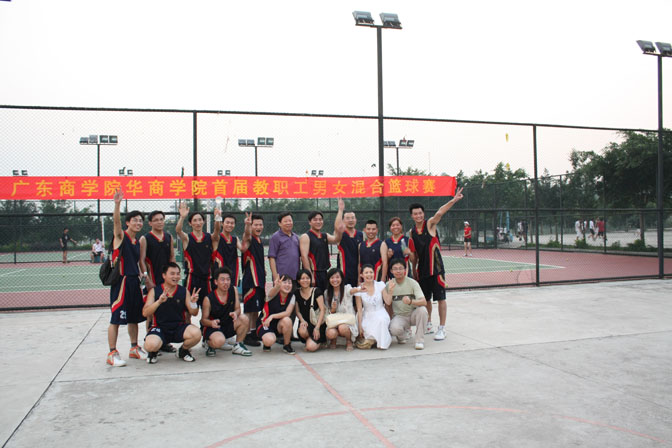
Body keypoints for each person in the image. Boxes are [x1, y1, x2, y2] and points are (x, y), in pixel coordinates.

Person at [408, 187, 464, 341]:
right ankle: (428, 324)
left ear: (423, 214)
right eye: (415, 214)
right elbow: (415, 255)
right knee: (426, 299)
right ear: (412, 216)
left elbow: (439, 213)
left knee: (440, 298)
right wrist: (414, 269)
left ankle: (442, 328)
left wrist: (454, 200)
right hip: (422, 270)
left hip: (437, 269)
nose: (418, 215)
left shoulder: (430, 224)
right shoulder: (412, 232)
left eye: (420, 213)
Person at [106, 188, 147, 367]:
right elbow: (116, 223)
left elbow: (138, 263)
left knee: (134, 317)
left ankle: (134, 348)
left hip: (134, 282)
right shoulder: (120, 237)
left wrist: (143, 276)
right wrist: (117, 204)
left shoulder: (137, 241)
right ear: (128, 223)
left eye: (140, 221)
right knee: (116, 318)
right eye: (135, 220)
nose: (138, 223)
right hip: (121, 282)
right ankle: (112, 353)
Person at [142, 262, 201, 364]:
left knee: (196, 333)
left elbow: (194, 313)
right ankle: (153, 352)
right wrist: (159, 302)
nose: (176, 276)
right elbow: (145, 312)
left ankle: (183, 351)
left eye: (178, 274)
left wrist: (193, 303)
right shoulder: (155, 291)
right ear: (164, 275)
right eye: (172, 274)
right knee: (151, 345)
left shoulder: (183, 291)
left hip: (178, 327)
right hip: (160, 328)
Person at [139, 210, 177, 353]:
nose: (160, 222)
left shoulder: (169, 237)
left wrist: (174, 275)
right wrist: (146, 278)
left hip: (166, 280)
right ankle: (150, 341)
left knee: (166, 310)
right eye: (156, 220)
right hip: (153, 280)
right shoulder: (145, 238)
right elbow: (141, 260)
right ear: (150, 223)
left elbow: (172, 257)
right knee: (151, 311)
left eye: (161, 219)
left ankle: (164, 342)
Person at [200, 267, 252, 357]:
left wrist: (235, 313)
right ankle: (208, 343)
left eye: (228, 279)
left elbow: (238, 309)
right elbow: (203, 320)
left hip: (228, 325)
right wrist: (211, 323)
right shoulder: (208, 299)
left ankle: (238, 345)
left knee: (244, 318)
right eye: (222, 280)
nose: (226, 282)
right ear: (216, 282)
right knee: (219, 341)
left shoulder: (233, 290)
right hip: (214, 328)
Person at [383, 258, 429, 350]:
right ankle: (402, 336)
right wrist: (390, 319)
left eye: (401, 268)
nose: (398, 271)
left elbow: (424, 302)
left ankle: (419, 340)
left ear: (405, 269)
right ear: (391, 271)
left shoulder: (413, 283)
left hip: (413, 315)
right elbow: (388, 305)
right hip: (399, 316)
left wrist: (411, 301)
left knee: (422, 310)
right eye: (395, 269)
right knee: (394, 329)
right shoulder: (388, 285)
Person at [300, 199, 345, 290]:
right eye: (315, 220)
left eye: (320, 220)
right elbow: (304, 257)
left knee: (324, 295)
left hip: (324, 272)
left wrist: (340, 211)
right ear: (310, 222)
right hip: (313, 272)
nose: (318, 222)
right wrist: (309, 275)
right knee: (314, 296)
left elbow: (336, 239)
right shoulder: (306, 236)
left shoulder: (324, 235)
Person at [176, 201, 213, 305]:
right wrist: (182, 217)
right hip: (192, 278)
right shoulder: (187, 238)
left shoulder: (209, 237)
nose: (198, 223)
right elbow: (178, 231)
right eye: (195, 220)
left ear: (203, 222)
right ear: (190, 223)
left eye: (200, 220)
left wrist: (218, 219)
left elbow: (218, 232)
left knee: (207, 307)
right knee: (189, 307)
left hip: (207, 278)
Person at [256, 275, 296, 354]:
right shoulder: (273, 294)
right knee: (269, 341)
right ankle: (266, 342)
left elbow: (287, 313)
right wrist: (276, 286)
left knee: (287, 320)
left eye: (289, 283)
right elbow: (271, 293)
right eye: (285, 282)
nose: (287, 285)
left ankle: (287, 345)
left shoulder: (292, 296)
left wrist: (272, 316)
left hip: (278, 325)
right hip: (265, 323)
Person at [354, 265, 391, 350]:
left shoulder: (380, 285)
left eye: (371, 272)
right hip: (367, 315)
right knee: (367, 330)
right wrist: (360, 326)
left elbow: (388, 302)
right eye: (366, 273)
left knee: (381, 320)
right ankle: (373, 340)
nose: (369, 275)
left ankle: (381, 343)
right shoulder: (359, 289)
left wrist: (391, 291)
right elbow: (359, 309)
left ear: (374, 273)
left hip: (380, 312)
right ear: (362, 275)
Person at [241, 213, 264, 347]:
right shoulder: (249, 239)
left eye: (260, 224)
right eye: (255, 224)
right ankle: (246, 334)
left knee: (256, 309)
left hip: (259, 280)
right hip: (251, 280)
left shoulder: (259, 240)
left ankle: (254, 332)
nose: (258, 227)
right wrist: (247, 225)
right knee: (249, 309)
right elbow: (246, 235)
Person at [212, 211, 250, 289]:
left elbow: (243, 249)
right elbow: (216, 230)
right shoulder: (217, 238)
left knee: (232, 293)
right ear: (222, 223)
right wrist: (217, 218)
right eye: (227, 222)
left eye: (232, 223)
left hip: (232, 271)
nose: (229, 225)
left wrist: (248, 225)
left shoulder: (235, 239)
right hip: (220, 272)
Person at [324, 268, 360, 351]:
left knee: (342, 327)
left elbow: (352, 291)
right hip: (335, 321)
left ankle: (349, 340)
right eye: (332, 278)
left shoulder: (347, 288)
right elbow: (328, 312)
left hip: (347, 321)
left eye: (337, 277)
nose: (335, 280)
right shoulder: (327, 293)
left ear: (341, 278)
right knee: (330, 333)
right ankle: (334, 339)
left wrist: (359, 289)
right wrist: (333, 309)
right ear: (329, 279)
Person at [295, 269, 327, 352]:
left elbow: (322, 310)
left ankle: (318, 341)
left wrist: (317, 328)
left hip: (317, 323)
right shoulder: (297, 293)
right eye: (302, 278)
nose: (305, 280)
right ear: (298, 281)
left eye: (307, 278)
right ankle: (310, 340)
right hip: (306, 323)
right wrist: (302, 320)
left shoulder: (317, 291)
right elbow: (297, 311)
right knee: (302, 331)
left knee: (310, 348)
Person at [268, 212, 301, 282]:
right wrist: (275, 277)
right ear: (279, 223)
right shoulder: (275, 237)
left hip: (295, 277)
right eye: (285, 221)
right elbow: (272, 258)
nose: (288, 223)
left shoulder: (295, 237)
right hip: (282, 278)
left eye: (290, 221)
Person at [337, 210, 364, 287]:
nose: (350, 220)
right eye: (348, 218)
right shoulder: (340, 234)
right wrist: (340, 210)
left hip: (357, 273)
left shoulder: (360, 235)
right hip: (344, 272)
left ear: (356, 220)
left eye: (352, 218)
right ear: (343, 220)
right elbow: (337, 226)